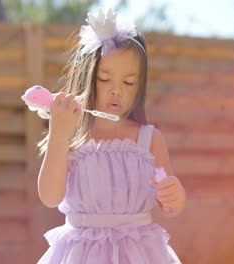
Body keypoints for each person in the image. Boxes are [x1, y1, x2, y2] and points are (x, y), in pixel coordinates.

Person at [36, 8, 186, 264]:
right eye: (105, 79)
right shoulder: (72, 136)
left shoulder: (148, 139)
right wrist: (58, 135)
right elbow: (50, 197)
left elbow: (168, 200)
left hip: (140, 254)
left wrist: (175, 196)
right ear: (86, 76)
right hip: (82, 255)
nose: (116, 90)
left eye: (129, 82)